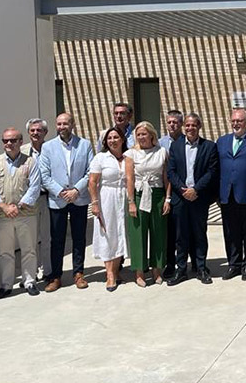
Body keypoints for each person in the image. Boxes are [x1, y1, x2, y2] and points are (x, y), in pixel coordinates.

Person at [38, 113, 94, 292]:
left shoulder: (84, 145)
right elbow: (44, 175)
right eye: (59, 124)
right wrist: (61, 192)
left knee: (79, 238)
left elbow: (90, 171)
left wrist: (76, 190)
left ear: (73, 124)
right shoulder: (47, 147)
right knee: (57, 239)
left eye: (65, 123)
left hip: (79, 198)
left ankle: (78, 273)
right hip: (58, 199)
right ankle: (55, 276)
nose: (62, 127)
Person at [0, 127, 42, 299]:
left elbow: (35, 187)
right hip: (2, 215)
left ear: (20, 142)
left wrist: (19, 205)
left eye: (13, 140)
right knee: (5, 251)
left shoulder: (30, 162)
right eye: (5, 141)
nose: (9, 143)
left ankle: (30, 281)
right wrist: (3, 206)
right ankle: (6, 285)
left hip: (26, 213)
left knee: (29, 249)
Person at [166, 113, 219, 285]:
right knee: (181, 235)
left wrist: (195, 189)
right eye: (187, 125)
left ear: (199, 127)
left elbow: (212, 171)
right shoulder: (175, 146)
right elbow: (171, 172)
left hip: (199, 197)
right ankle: (181, 269)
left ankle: (201, 267)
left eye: (193, 125)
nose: (190, 128)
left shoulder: (209, 146)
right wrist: (183, 190)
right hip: (180, 198)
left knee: (199, 234)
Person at [216, 109, 246, 281]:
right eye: (233, 120)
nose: (236, 124)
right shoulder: (222, 141)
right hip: (227, 195)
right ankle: (234, 264)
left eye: (239, 121)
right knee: (230, 232)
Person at [124, 121, 171, 286]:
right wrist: (131, 202)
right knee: (138, 234)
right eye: (138, 134)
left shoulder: (162, 152)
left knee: (159, 233)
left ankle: (157, 269)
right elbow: (129, 178)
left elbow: (166, 177)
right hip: (138, 194)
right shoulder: (131, 154)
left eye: (144, 134)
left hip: (157, 193)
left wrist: (167, 198)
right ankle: (139, 272)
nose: (141, 137)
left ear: (152, 135)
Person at [90, 127, 132, 291]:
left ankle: (116, 270)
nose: (113, 140)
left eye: (116, 137)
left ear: (122, 139)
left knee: (121, 233)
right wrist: (94, 203)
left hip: (124, 197)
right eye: (109, 138)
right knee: (108, 234)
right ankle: (110, 275)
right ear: (105, 142)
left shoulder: (128, 157)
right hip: (107, 197)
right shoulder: (100, 158)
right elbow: (93, 182)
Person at [21, 118, 51, 282]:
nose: (35, 133)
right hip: (28, 200)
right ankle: (31, 273)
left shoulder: (51, 149)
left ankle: (47, 271)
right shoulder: (22, 151)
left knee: (46, 237)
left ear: (45, 132)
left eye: (39, 130)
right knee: (29, 239)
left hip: (47, 198)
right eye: (32, 130)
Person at [158, 109, 184, 275]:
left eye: (175, 122)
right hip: (163, 191)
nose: (172, 125)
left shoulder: (186, 141)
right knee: (167, 231)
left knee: (182, 231)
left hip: (181, 191)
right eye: (169, 122)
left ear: (181, 124)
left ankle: (190, 262)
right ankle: (169, 263)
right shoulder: (160, 143)